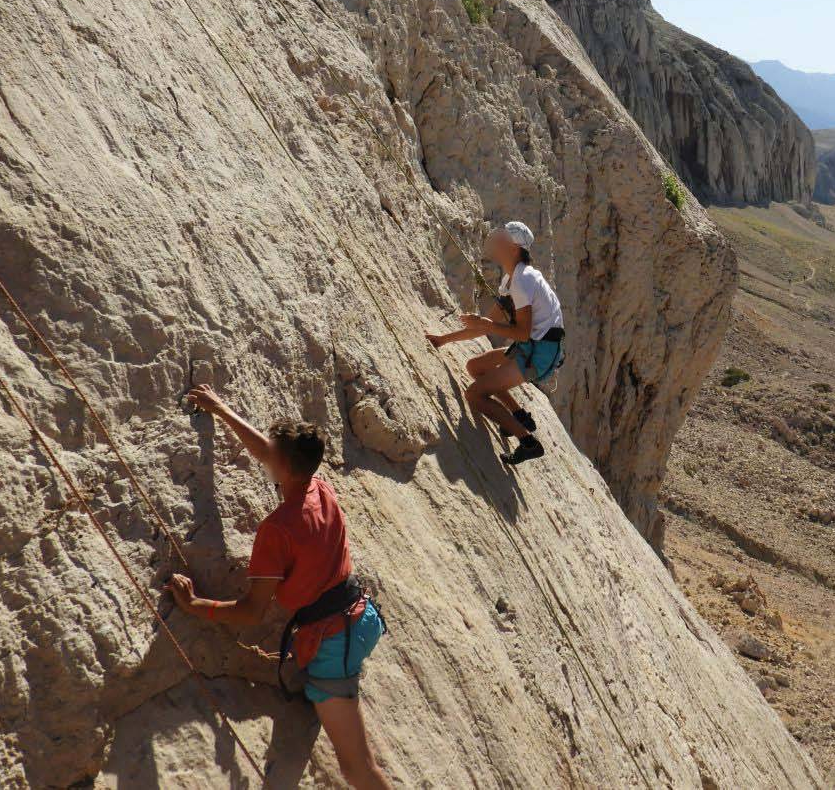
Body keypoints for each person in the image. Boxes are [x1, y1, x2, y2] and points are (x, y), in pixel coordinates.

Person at [166, 384, 392, 790]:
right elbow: (272, 453)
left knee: (357, 768)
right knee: (325, 697)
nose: (265, 455)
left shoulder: (278, 530)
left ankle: (324, 695)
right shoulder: (320, 489)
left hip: (334, 645)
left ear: (284, 465)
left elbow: (252, 612)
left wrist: (196, 605)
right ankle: (319, 694)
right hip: (360, 617)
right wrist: (221, 410)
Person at [426, 220, 564, 466]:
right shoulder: (512, 281)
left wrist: (487, 325)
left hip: (537, 354)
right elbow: (486, 324)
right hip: (535, 347)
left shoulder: (522, 281)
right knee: (475, 368)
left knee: (474, 394)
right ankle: (520, 416)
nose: (494, 240)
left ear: (513, 248)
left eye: (500, 238)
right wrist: (443, 340)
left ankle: (527, 442)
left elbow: (520, 333)